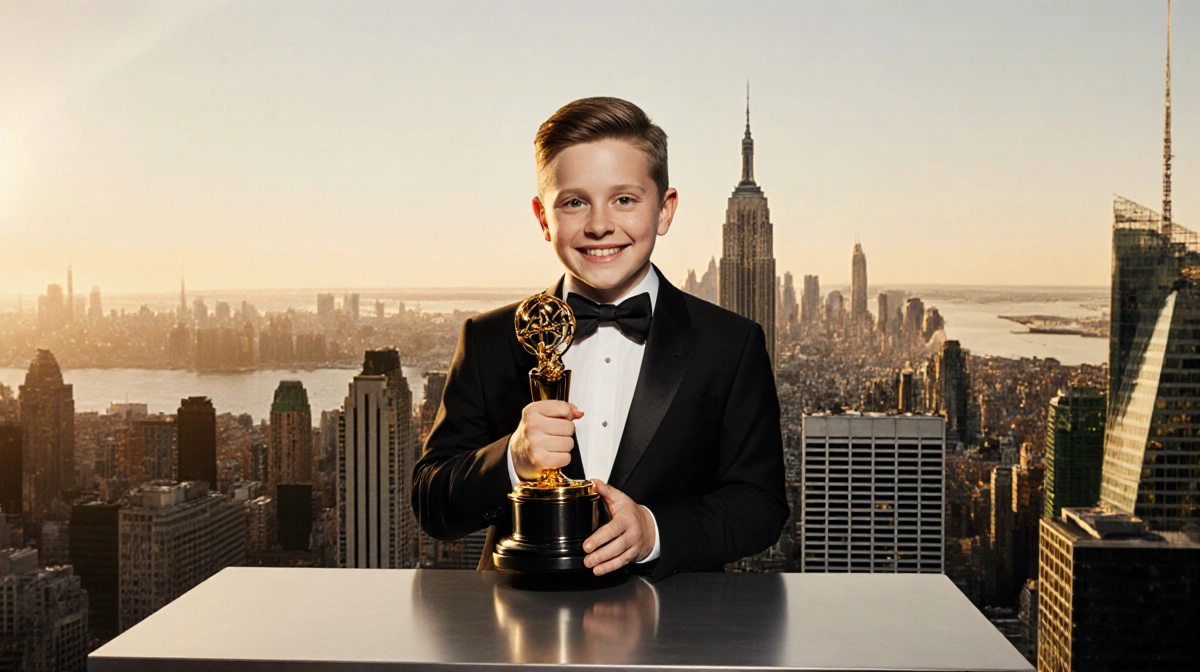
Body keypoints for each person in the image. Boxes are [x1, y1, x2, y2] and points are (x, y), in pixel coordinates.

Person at [412, 97, 787, 581]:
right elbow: (431, 505)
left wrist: (654, 532)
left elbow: (761, 506)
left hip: (672, 632)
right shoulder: (490, 339)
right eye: (573, 202)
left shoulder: (730, 344)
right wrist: (513, 457)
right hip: (517, 634)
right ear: (543, 218)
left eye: (625, 200)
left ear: (665, 210)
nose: (599, 224)